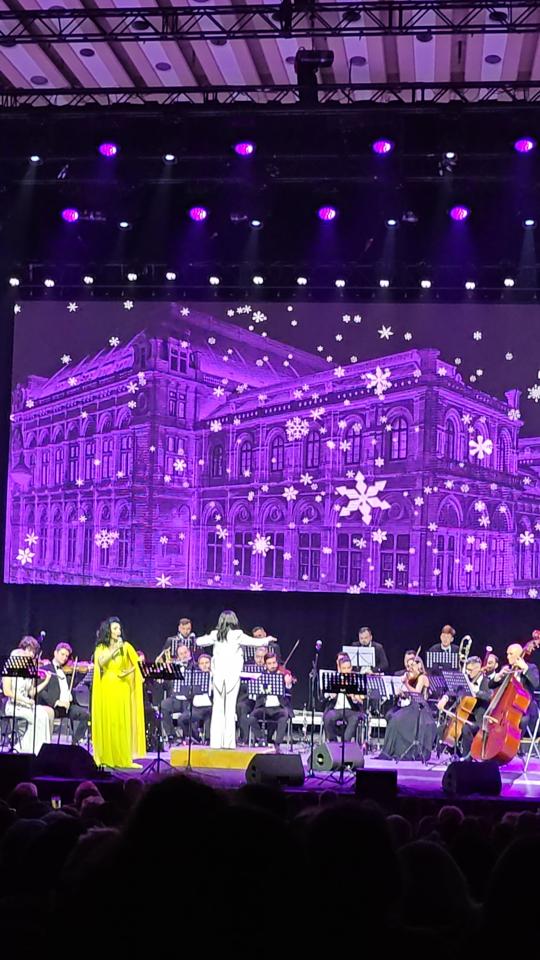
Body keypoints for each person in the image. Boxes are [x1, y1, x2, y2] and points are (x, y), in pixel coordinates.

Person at [91, 617, 146, 769]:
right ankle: (107, 757)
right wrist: (115, 649)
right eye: (115, 628)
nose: (118, 631)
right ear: (108, 631)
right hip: (107, 686)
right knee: (109, 721)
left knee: (122, 723)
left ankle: (124, 758)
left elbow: (139, 664)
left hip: (122, 687)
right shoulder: (101, 647)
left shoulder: (126, 646)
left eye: (119, 628)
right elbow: (101, 662)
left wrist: (129, 671)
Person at [196, 610, 255, 749]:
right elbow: (254, 642)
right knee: (229, 709)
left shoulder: (216, 635)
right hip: (232, 677)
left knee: (217, 709)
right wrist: (267, 639)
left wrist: (207, 637)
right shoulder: (238, 635)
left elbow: (199, 642)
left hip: (218, 677)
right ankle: (229, 743)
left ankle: (216, 742)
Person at [1, 636, 53, 753]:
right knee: (37, 718)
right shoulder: (9, 669)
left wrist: (46, 681)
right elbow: (7, 691)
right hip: (13, 706)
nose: (31, 654)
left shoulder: (28, 671)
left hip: (26, 705)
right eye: (29, 651)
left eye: (33, 652)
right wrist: (25, 700)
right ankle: (22, 748)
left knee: (43, 715)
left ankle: (41, 750)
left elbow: (31, 692)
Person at [379, 656, 436, 761]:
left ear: (419, 665)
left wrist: (406, 683)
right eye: (408, 666)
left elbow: (417, 693)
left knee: (396, 720)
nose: (410, 668)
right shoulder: (412, 678)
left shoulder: (422, 677)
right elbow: (410, 695)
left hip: (420, 709)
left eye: (412, 665)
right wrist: (402, 694)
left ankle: (400, 751)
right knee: (393, 718)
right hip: (412, 707)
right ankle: (392, 751)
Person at [436, 655, 492, 757]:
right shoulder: (467, 680)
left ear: (478, 668)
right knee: (441, 729)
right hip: (463, 717)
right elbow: (453, 689)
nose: (467, 672)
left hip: (477, 719)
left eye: (470, 670)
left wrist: (476, 692)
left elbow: (490, 697)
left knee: (466, 729)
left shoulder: (487, 682)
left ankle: (467, 759)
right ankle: (456, 755)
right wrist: (445, 698)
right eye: (467, 669)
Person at [37, 642, 89, 745]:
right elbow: (41, 691)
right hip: (54, 707)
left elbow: (73, 685)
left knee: (85, 715)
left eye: (66, 656)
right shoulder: (45, 669)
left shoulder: (67, 671)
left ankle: (74, 743)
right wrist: (56, 702)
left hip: (68, 706)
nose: (65, 658)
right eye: (62, 654)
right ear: (55, 653)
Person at [489, 643, 540, 734]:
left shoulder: (531, 667)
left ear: (519, 655)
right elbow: (490, 685)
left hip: (524, 710)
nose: (508, 657)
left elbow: (536, 684)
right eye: (507, 654)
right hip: (505, 709)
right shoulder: (507, 669)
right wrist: (498, 676)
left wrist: (525, 669)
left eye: (511, 654)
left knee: (521, 721)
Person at [249, 651, 293, 751]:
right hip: (263, 707)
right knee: (251, 717)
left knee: (284, 716)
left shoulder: (283, 674)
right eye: (269, 663)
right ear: (265, 665)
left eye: (274, 663)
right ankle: (261, 739)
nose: (272, 666)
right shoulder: (261, 676)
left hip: (278, 707)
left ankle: (277, 744)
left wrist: (288, 684)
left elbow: (289, 693)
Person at [323, 653, 363, 742]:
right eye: (344, 668)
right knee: (328, 718)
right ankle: (333, 743)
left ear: (351, 668)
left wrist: (353, 696)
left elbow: (362, 701)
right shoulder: (334, 679)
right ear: (340, 669)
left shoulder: (356, 680)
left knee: (354, 718)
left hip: (352, 710)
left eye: (348, 668)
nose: (346, 671)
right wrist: (331, 695)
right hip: (336, 709)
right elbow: (325, 696)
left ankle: (346, 742)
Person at [161, 643, 193, 744]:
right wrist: (167, 674)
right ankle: (172, 735)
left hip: (189, 700)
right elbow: (165, 686)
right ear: (178, 657)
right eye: (181, 654)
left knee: (187, 716)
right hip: (176, 699)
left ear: (189, 653)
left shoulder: (195, 667)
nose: (184, 655)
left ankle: (190, 737)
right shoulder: (174, 668)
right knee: (164, 705)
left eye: (185, 653)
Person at [237, 645, 267, 745]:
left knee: (251, 715)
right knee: (241, 707)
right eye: (258, 657)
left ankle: (260, 737)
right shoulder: (248, 669)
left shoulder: (270, 669)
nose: (260, 660)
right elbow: (242, 687)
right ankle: (244, 737)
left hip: (263, 702)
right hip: (250, 699)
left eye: (263, 657)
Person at [178, 653, 213, 742]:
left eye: (207, 663)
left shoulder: (215, 676)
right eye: (202, 663)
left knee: (209, 716)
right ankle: (195, 738)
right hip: (196, 708)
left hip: (211, 707)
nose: (204, 665)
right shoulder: (195, 677)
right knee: (182, 719)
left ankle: (208, 739)